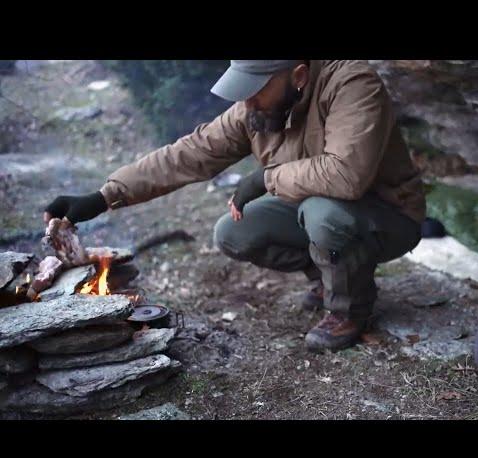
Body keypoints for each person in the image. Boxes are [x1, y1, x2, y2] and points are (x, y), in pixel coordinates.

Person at [44, 60, 426, 352]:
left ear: (298, 76)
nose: (247, 100)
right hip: (318, 208)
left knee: (323, 214)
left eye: (256, 89)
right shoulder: (256, 109)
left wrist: (264, 178)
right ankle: (330, 280)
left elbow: (345, 176)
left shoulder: (352, 84)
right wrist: (103, 196)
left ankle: (349, 310)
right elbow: (189, 154)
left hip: (387, 214)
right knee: (234, 232)